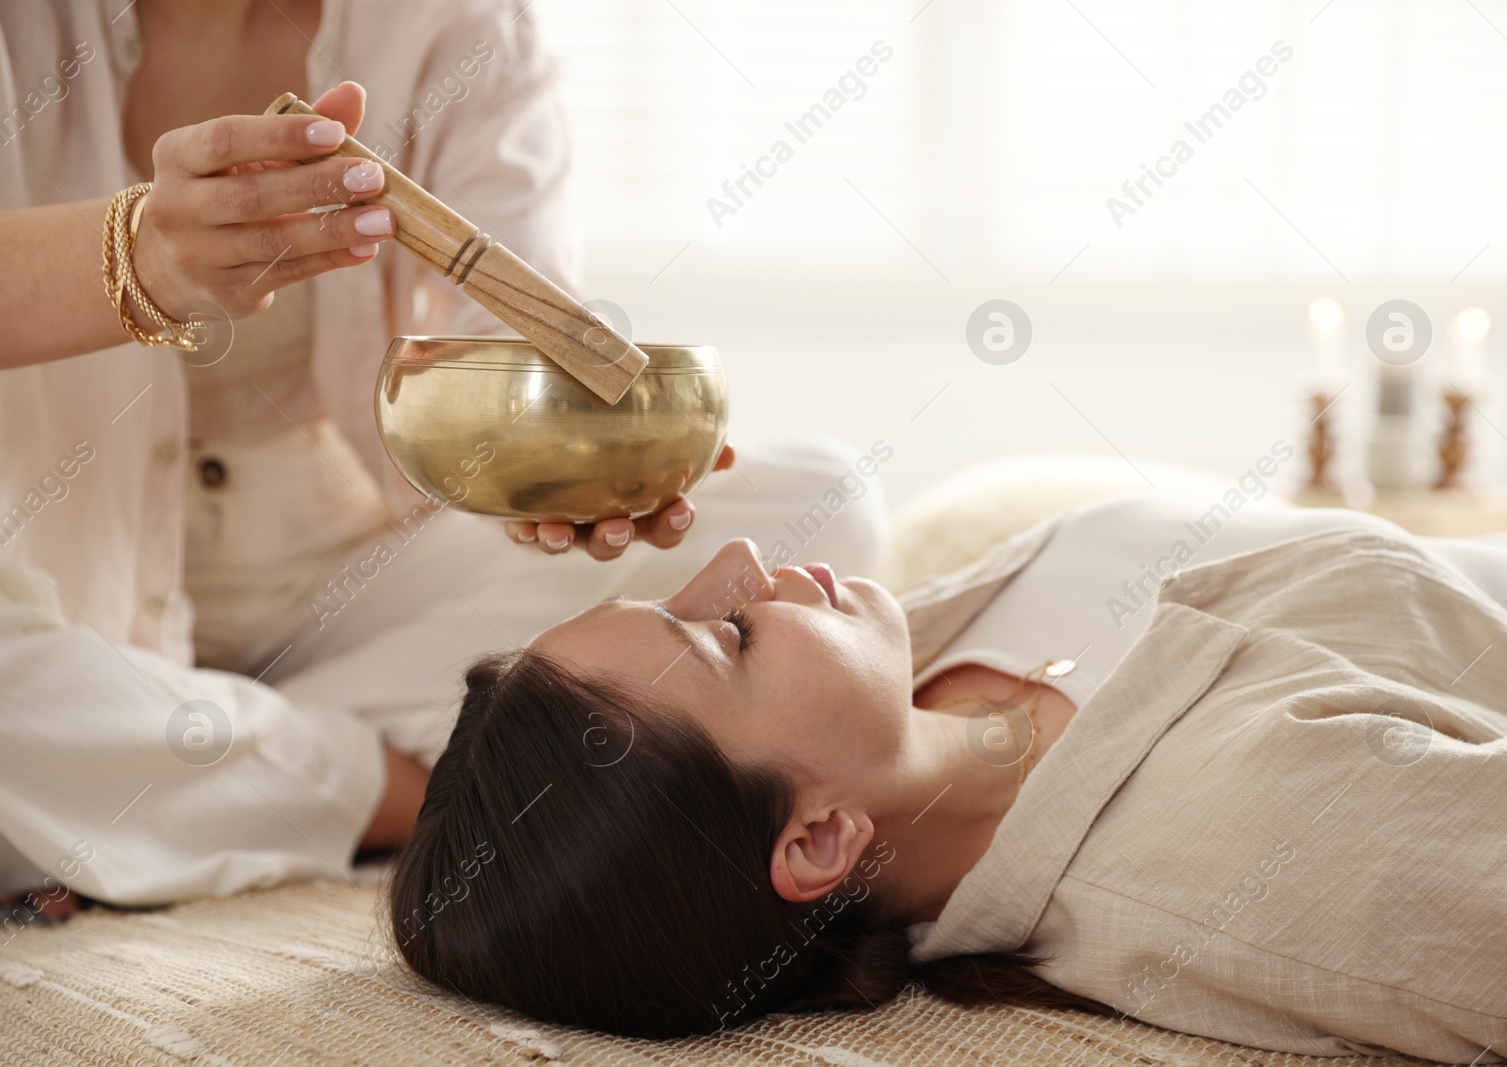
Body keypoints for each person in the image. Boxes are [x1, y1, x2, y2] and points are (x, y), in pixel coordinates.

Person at [0, 1, 888, 912]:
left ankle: (162, 771)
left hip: (345, 588)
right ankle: (418, 793)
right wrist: (135, 258)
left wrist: (572, 455)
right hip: (45, 580)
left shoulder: (460, 24)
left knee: (818, 500)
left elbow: (514, 326)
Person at [392, 494, 1507, 1061]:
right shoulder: (1270, 852)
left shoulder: (919, 641)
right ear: (817, 840)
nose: (738, 559)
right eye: (729, 636)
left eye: (680, 597)